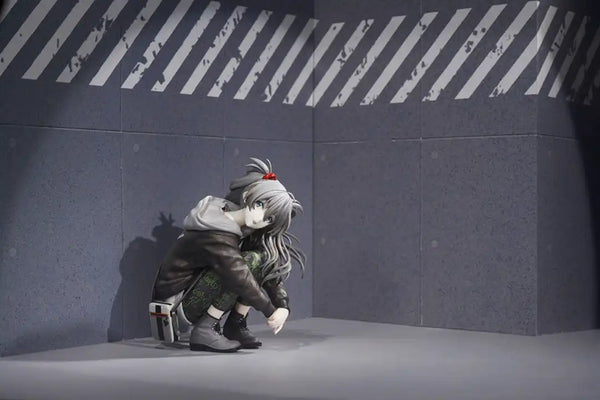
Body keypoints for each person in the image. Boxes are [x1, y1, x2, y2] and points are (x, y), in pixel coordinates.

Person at [152, 158, 305, 352]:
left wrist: (282, 305)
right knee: (245, 267)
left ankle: (235, 325)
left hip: (193, 293)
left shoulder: (244, 226)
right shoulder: (215, 230)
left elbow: (267, 265)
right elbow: (239, 276)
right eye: (259, 204)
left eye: (269, 219)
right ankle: (205, 329)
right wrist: (270, 311)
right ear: (248, 195)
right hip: (178, 304)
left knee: (261, 257)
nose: (260, 218)